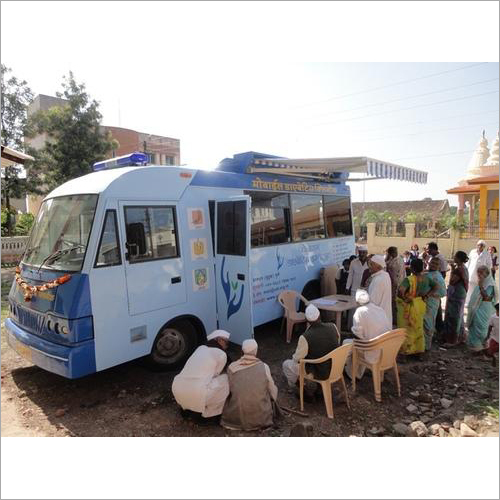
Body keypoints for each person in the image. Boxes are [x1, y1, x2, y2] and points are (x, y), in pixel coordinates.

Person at [172, 330, 231, 423]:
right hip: (197, 393)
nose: (227, 345)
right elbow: (216, 375)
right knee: (227, 379)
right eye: (226, 342)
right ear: (219, 340)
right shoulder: (221, 354)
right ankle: (209, 415)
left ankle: (187, 408)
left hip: (177, 388)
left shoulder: (200, 348)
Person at [221, 339, 278, 431]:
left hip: (235, 419)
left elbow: (228, 390)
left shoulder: (232, 367)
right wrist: (272, 401)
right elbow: (273, 391)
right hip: (261, 419)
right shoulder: (264, 367)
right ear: (256, 351)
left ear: (242, 351)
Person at [282, 304, 339, 389]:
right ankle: (319, 389)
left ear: (307, 320)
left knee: (287, 364)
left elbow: (297, 359)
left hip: (318, 371)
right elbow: (336, 343)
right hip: (335, 366)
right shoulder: (333, 326)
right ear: (319, 315)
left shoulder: (305, 336)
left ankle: (304, 390)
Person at [343, 289, 391, 380]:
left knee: (348, 344)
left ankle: (352, 374)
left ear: (357, 302)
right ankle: (358, 372)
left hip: (372, 350)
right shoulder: (379, 309)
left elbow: (358, 336)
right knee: (362, 341)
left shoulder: (359, 312)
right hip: (386, 349)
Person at [397, 259, 438, 357]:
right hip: (420, 305)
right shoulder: (426, 279)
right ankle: (418, 351)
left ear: (412, 268)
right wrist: (427, 295)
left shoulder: (409, 279)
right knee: (418, 328)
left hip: (409, 306)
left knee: (407, 329)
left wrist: (405, 298)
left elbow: (401, 291)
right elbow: (436, 286)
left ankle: (406, 352)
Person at [466, 266, 498, 351]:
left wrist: (480, 286)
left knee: (481, 326)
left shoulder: (489, 283)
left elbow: (487, 297)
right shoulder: (481, 282)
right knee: (474, 324)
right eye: (478, 272)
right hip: (477, 307)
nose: (479, 275)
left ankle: (480, 347)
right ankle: (474, 346)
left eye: (481, 273)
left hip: (484, 308)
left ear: (487, 274)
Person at [443, 251, 469, 347]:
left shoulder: (459, 269)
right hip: (460, 294)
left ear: (458, 258)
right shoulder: (463, 268)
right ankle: (461, 337)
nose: (454, 258)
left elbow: (452, 281)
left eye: (455, 256)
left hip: (456, 294)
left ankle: (452, 340)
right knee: (459, 316)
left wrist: (453, 270)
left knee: (454, 317)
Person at [423, 256, 447, 351]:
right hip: (423, 302)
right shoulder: (427, 274)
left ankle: (426, 347)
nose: (433, 265)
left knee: (428, 324)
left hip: (431, 302)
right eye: (432, 263)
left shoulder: (437, 277)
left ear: (439, 267)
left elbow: (443, 292)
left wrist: (429, 294)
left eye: (436, 264)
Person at [367, 254, 393, 325]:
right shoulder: (385, 275)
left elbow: (373, 302)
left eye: (372, 264)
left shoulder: (379, 279)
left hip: (378, 319)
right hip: (383, 316)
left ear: (378, 266)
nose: (369, 266)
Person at [346, 246, 369, 327]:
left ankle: (362, 327)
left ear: (367, 253)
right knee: (353, 310)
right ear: (358, 253)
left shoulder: (370, 263)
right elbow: (350, 276)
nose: (362, 254)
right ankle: (351, 327)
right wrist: (347, 287)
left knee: (364, 309)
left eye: (364, 252)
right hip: (354, 290)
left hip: (366, 291)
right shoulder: (353, 262)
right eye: (360, 252)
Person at [466, 240, 493, 307]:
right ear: (477, 245)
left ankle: (475, 303)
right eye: (479, 245)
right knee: (469, 289)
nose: (480, 246)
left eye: (482, 245)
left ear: (484, 247)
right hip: (471, 274)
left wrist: (486, 274)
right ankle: (468, 302)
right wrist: (466, 271)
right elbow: (468, 262)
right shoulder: (472, 252)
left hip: (481, 276)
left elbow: (489, 265)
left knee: (478, 289)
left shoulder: (487, 253)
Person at [385, 246, 406, 325]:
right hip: (392, 283)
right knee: (392, 303)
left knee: (396, 303)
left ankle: (396, 320)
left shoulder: (398, 260)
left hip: (397, 284)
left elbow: (398, 274)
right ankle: (393, 318)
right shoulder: (391, 259)